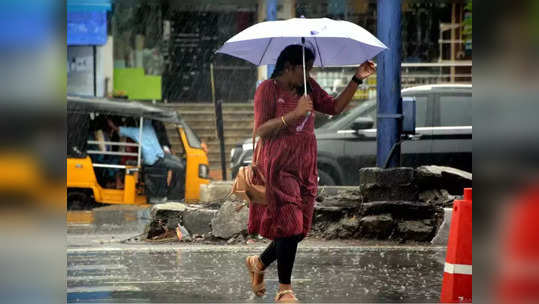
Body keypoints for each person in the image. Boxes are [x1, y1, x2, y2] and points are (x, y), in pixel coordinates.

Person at [244, 44, 375, 303]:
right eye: (305, 69)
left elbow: (335, 107)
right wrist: (294, 115)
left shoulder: (309, 87)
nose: (308, 74)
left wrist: (357, 79)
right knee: (289, 225)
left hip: (305, 165)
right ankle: (284, 291)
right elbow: (261, 130)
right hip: (278, 165)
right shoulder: (267, 90)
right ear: (289, 67)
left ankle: (259, 262)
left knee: (299, 230)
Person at [107, 118, 185, 201]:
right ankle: (168, 196)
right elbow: (120, 130)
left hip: (158, 157)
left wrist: (112, 125)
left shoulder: (142, 129)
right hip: (154, 160)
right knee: (178, 167)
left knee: (179, 165)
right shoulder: (139, 131)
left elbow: (118, 129)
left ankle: (171, 194)